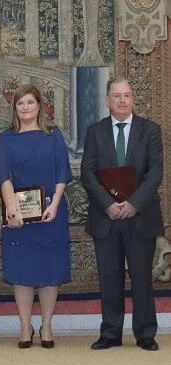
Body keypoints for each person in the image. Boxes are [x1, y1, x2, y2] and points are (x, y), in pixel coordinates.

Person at [80, 78, 163, 351]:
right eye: (117, 95)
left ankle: (145, 333)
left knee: (142, 278)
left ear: (133, 98)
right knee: (110, 276)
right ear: (107, 99)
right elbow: (88, 174)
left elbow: (155, 174)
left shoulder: (151, 130)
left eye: (127, 95)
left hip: (140, 216)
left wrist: (133, 204)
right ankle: (111, 333)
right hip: (106, 217)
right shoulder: (95, 131)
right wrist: (108, 204)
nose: (122, 100)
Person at [0, 84, 72, 349]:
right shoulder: (6, 139)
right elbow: (3, 176)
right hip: (19, 216)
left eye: (30, 102)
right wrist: (11, 208)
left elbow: (62, 173)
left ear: (39, 105)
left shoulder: (54, 136)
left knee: (50, 271)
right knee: (22, 270)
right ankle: (26, 326)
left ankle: (47, 326)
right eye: (20, 103)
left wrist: (56, 204)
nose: (25, 107)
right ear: (14, 109)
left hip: (52, 213)